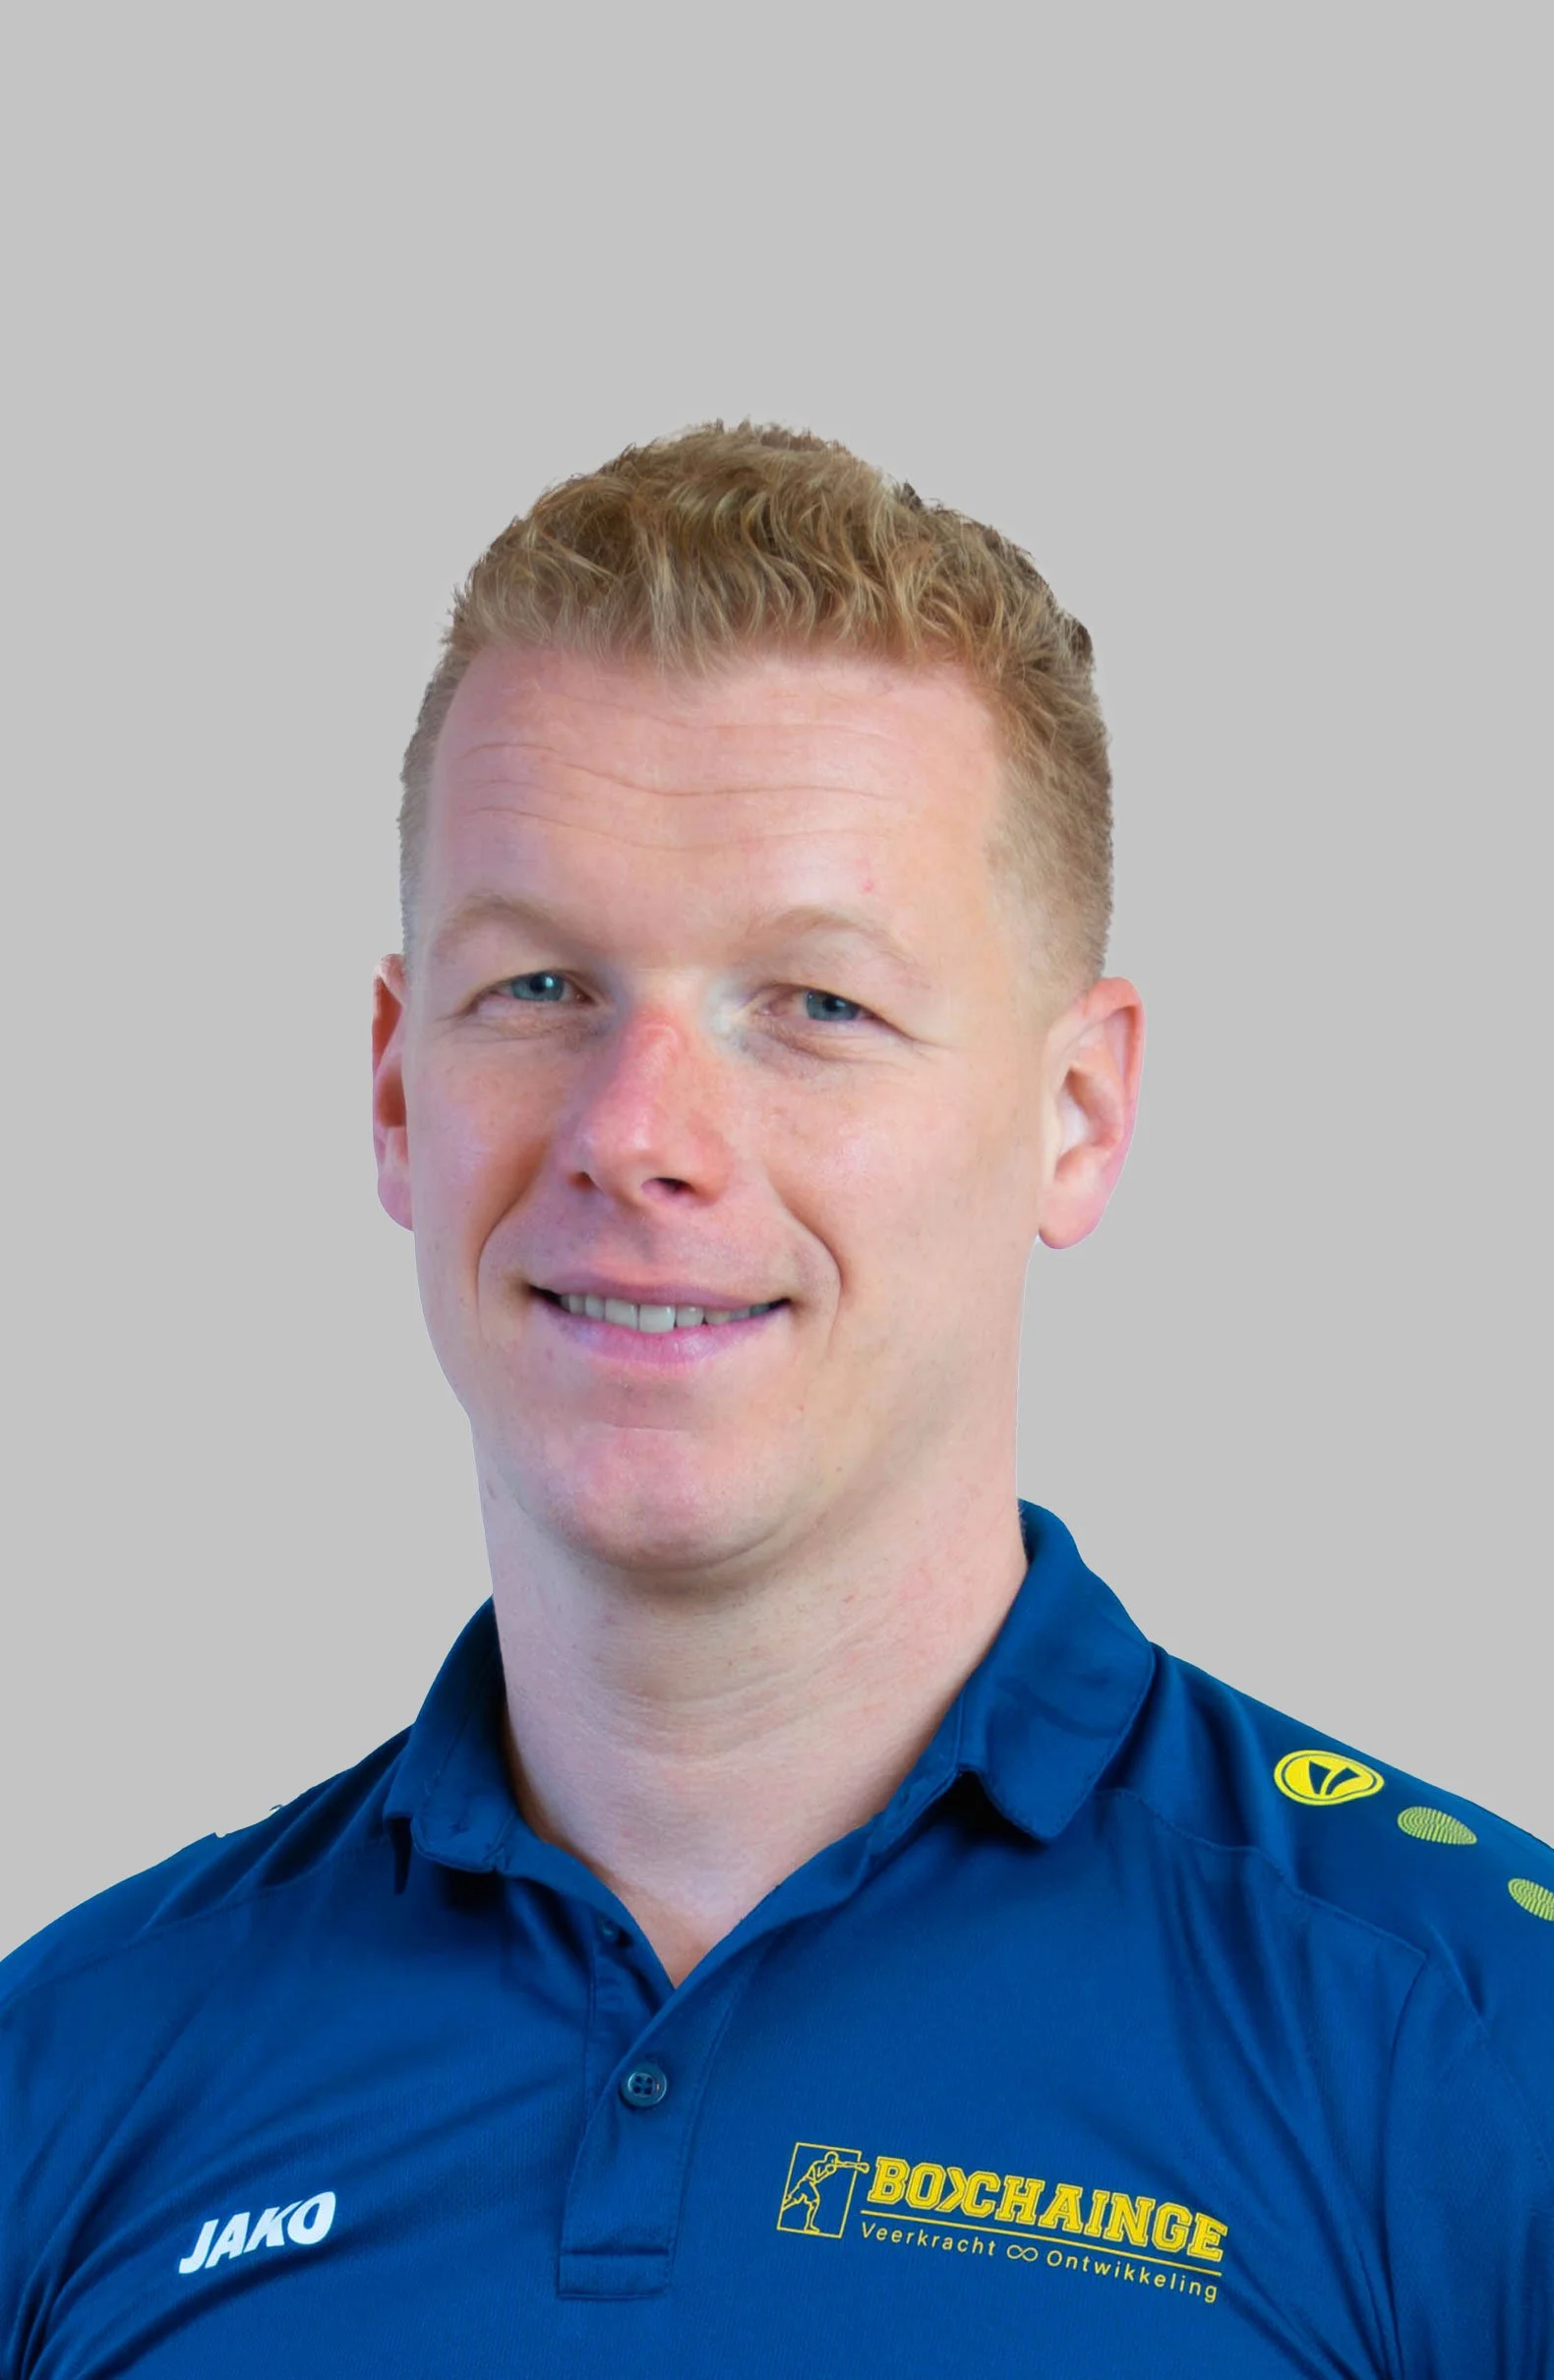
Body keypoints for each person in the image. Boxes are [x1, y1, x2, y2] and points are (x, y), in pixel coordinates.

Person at [2, 422, 1549, 2380]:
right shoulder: (67, 2080)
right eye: (541, 989)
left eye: (813, 1005)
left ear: (1076, 1115)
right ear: (397, 1088)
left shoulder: (1472, 2048)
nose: (637, 1135)